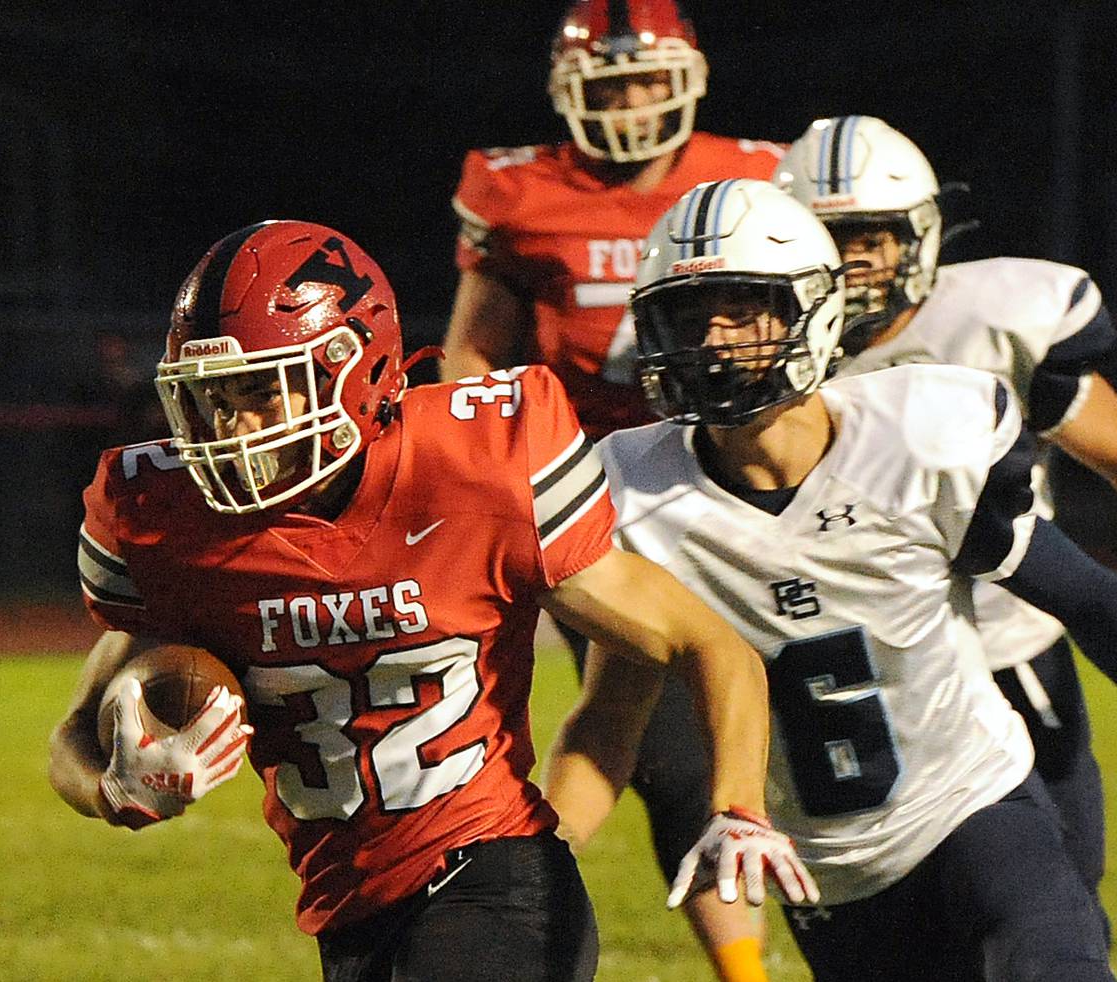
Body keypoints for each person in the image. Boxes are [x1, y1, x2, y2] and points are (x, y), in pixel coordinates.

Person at [553, 179, 1117, 981]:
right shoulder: (634, 497)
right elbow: (609, 719)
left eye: (743, 310)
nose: (714, 342)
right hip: (830, 871)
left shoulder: (918, 436)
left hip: (975, 807)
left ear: (812, 311)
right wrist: (535, 857)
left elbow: (1087, 597)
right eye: (688, 315)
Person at [47, 220, 816, 982]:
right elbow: (74, 738)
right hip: (348, 907)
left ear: (349, 369)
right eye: (213, 398)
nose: (231, 426)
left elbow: (710, 644)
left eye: (259, 391)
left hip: (496, 880)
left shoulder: (476, 465)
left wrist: (739, 807)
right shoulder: (164, 522)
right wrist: (113, 786)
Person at [773, 115, 1117, 924]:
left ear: (925, 234)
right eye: (834, 237)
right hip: (873, 674)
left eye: (876, 235)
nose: (856, 258)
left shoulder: (990, 319)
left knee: (1065, 897)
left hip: (1014, 642)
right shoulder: (770, 350)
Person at [441, 3, 787, 977]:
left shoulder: (760, 171)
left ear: (686, 77)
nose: (631, 103)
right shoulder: (521, 191)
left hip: (742, 475)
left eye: (645, 81)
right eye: (610, 85)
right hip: (604, 500)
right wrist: (490, 468)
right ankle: (743, 965)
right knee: (670, 741)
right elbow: (475, 349)